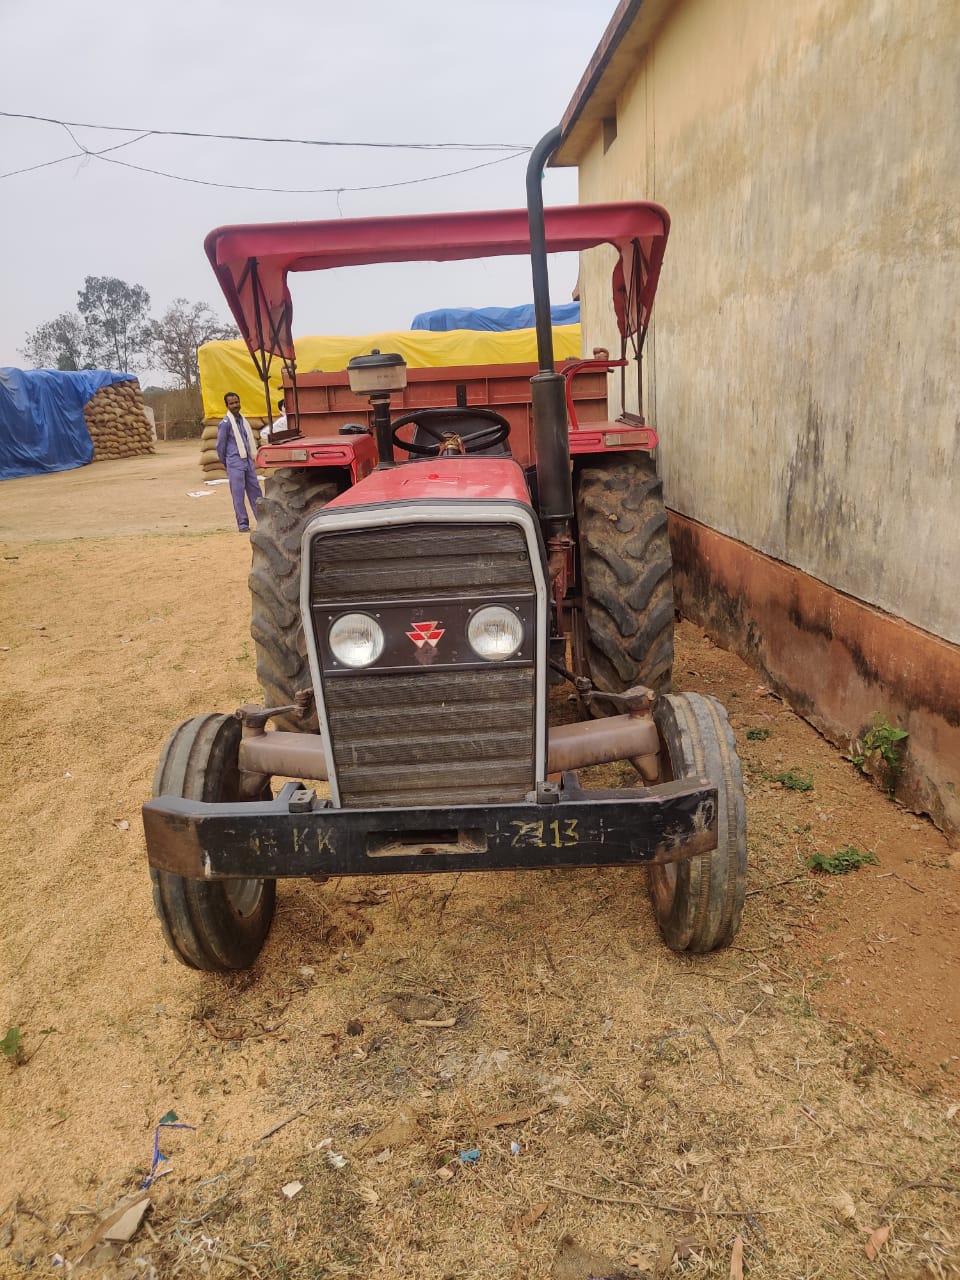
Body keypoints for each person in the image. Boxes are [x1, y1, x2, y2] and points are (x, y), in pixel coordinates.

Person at [216, 391, 263, 532]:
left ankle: (262, 521)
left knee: (256, 491)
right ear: (227, 405)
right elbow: (220, 446)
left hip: (247, 461)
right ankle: (243, 524)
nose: (235, 405)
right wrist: (227, 462)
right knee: (238, 495)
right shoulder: (225, 424)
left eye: (237, 402)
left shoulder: (243, 420)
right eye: (232, 403)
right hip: (234, 462)